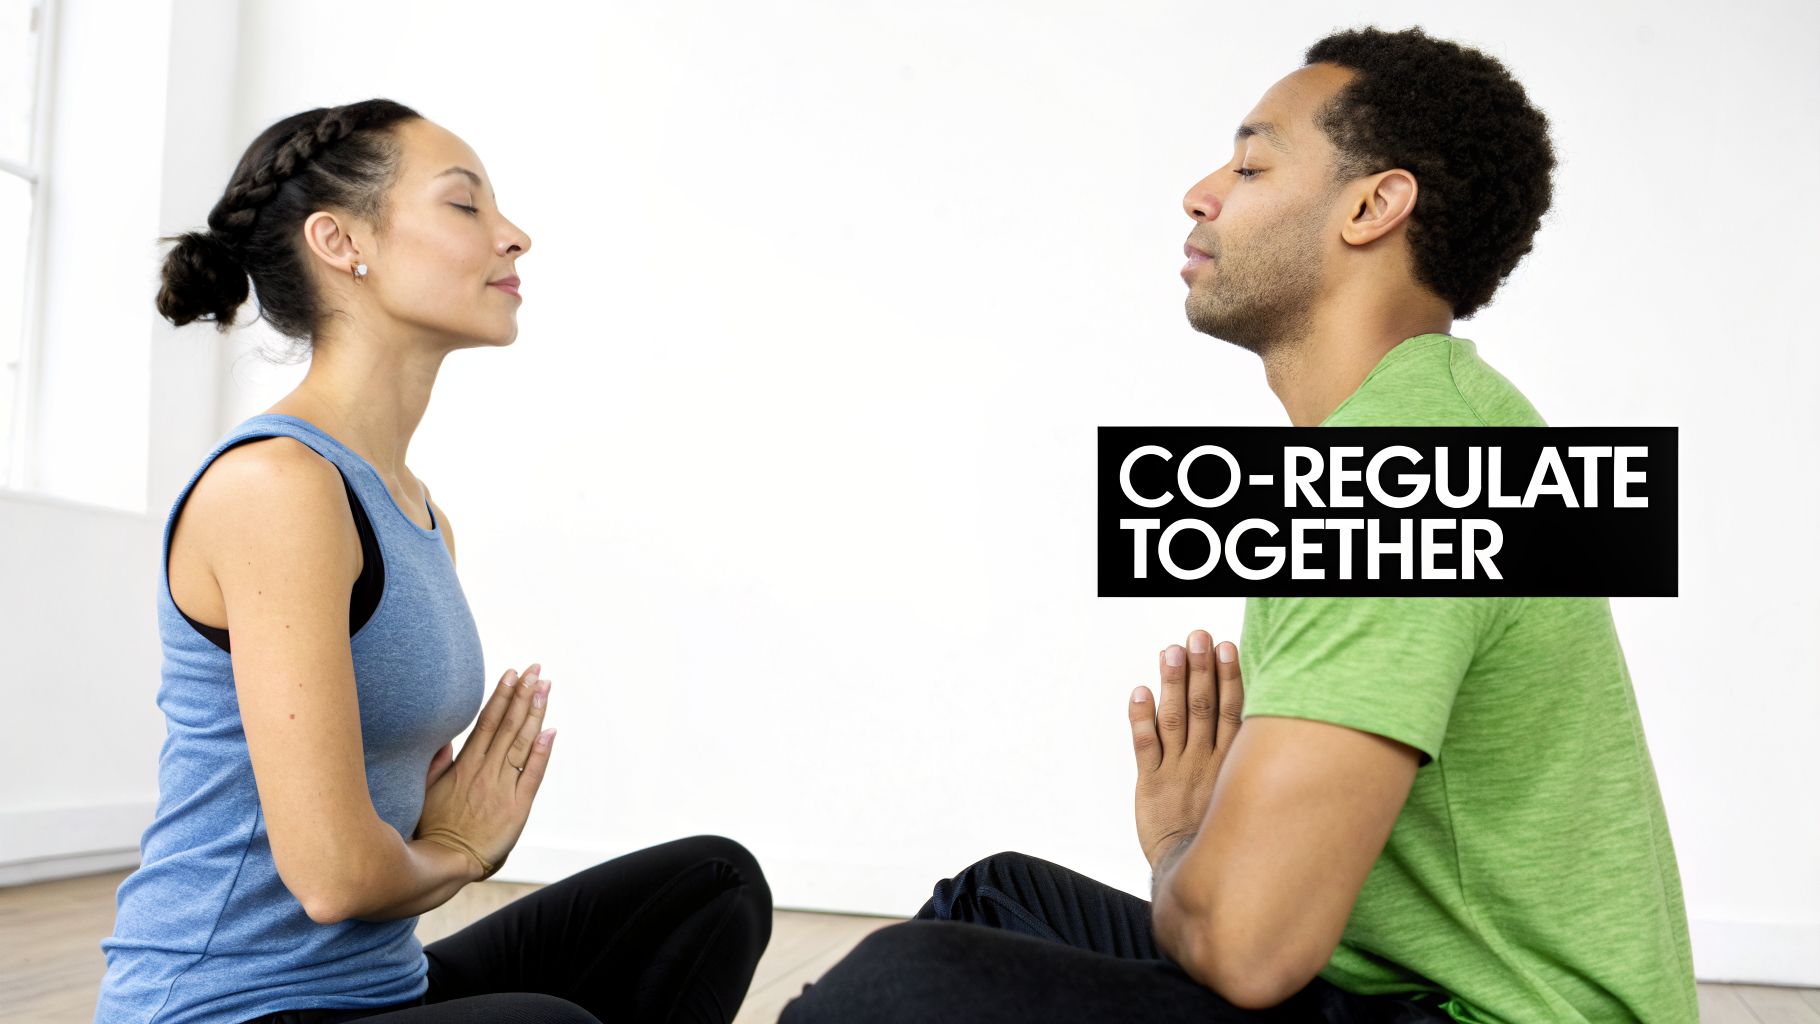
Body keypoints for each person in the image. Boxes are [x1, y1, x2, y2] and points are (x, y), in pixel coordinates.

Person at [781, 25, 1697, 1024]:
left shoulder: (1404, 471)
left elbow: (1248, 948)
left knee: (899, 989)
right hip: (1395, 986)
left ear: (1370, 207)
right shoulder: (1435, 418)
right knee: (995, 898)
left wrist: (1180, 841)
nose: (1201, 192)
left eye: (1252, 163)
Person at [94, 99, 772, 1024]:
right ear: (340, 242)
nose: (514, 236)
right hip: (231, 1010)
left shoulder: (416, 510)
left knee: (712, 885)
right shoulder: (278, 487)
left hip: (378, 988)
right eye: (465, 207)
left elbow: (386, 822)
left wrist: (437, 829)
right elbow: (334, 878)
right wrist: (457, 847)